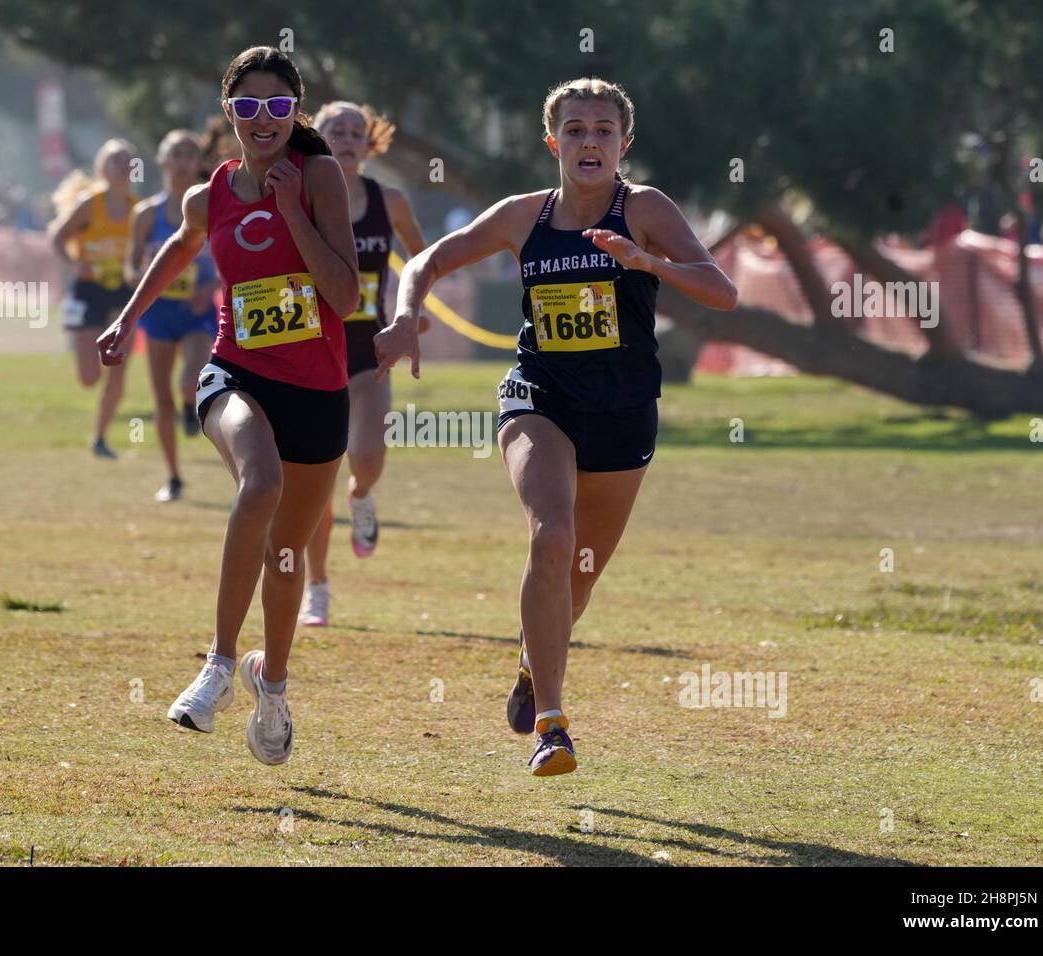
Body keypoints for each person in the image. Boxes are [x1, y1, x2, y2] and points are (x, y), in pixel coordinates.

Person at [374, 77, 738, 776]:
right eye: (575, 130)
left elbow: (721, 292)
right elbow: (428, 258)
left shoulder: (647, 208)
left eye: (604, 130)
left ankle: (528, 659)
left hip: (624, 411)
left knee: (579, 578)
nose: (590, 141)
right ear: (553, 143)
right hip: (539, 396)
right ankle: (553, 723)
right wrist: (404, 312)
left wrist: (646, 262)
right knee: (551, 533)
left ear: (624, 144)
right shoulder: (523, 216)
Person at [96, 47, 358, 766]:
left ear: (294, 112)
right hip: (236, 370)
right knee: (260, 483)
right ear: (228, 113)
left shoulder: (319, 177)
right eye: (247, 107)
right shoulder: (206, 194)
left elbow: (346, 297)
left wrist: (291, 214)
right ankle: (216, 663)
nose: (263, 119)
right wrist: (125, 318)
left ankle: (270, 685)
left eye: (278, 106)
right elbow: (178, 250)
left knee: (286, 552)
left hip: (317, 389)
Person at [298, 101, 428, 627]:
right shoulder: (300, 196)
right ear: (316, 136)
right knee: (313, 483)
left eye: (357, 131)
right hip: (310, 346)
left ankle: (363, 494)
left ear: (369, 142)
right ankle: (317, 588)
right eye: (336, 130)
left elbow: (424, 259)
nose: (348, 138)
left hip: (369, 346)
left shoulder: (388, 200)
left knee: (367, 457)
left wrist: (409, 314)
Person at [126, 130, 221, 502]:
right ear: (163, 161)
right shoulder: (147, 213)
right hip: (159, 313)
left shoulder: (211, 206)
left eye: (189, 154)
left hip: (196, 311)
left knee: (191, 381)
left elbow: (228, 259)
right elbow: (131, 268)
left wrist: (209, 287)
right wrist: (151, 280)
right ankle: (173, 477)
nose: (183, 161)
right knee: (160, 395)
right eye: (175, 154)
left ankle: (189, 406)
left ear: (198, 163)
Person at [48, 139, 138, 458]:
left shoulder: (137, 209)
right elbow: (57, 237)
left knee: (118, 366)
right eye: (115, 160)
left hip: (123, 294)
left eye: (127, 160)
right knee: (89, 377)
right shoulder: (90, 204)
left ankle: (99, 437)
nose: (123, 165)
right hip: (88, 292)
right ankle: (79, 350)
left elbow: (144, 254)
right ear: (103, 168)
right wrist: (75, 263)